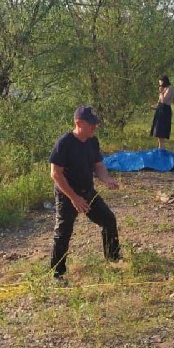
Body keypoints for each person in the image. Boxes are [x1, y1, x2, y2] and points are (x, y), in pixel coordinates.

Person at [49, 105, 120, 280]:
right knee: (63, 232)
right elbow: (55, 174)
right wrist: (74, 198)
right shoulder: (64, 143)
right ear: (79, 123)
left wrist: (107, 179)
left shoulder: (92, 141)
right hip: (67, 194)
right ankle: (57, 273)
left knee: (109, 220)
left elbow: (98, 165)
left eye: (95, 123)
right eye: (91, 124)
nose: (95, 127)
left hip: (88, 191)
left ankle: (113, 260)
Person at [150, 75, 173, 149]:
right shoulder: (163, 89)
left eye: (160, 83)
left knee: (162, 131)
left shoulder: (169, 88)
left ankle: (161, 148)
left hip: (165, 110)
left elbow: (163, 100)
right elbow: (159, 102)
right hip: (160, 109)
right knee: (158, 130)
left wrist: (161, 92)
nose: (160, 85)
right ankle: (159, 147)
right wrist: (154, 107)